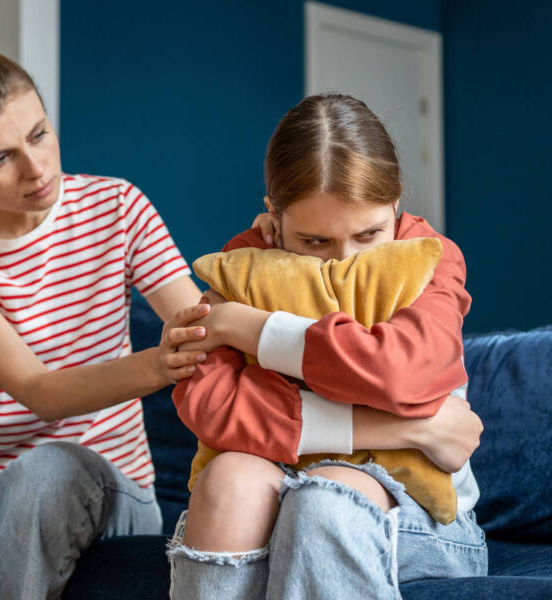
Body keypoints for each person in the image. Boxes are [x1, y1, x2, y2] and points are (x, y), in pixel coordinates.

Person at [0, 35, 481, 599]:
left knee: (42, 477)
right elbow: (49, 390)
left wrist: (240, 330)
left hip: (92, 470)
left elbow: (210, 338)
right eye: (0, 158)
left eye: (39, 134)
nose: (36, 170)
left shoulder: (116, 205)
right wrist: (173, 359)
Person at [167, 94, 487, 600]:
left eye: (369, 234)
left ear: (397, 202)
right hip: (280, 489)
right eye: (315, 242)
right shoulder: (244, 261)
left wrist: (250, 328)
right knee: (228, 479)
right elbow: (212, 404)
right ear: (275, 217)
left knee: (324, 498)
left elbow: (399, 373)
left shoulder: (433, 259)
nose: (344, 260)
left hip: (419, 517)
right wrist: (411, 425)